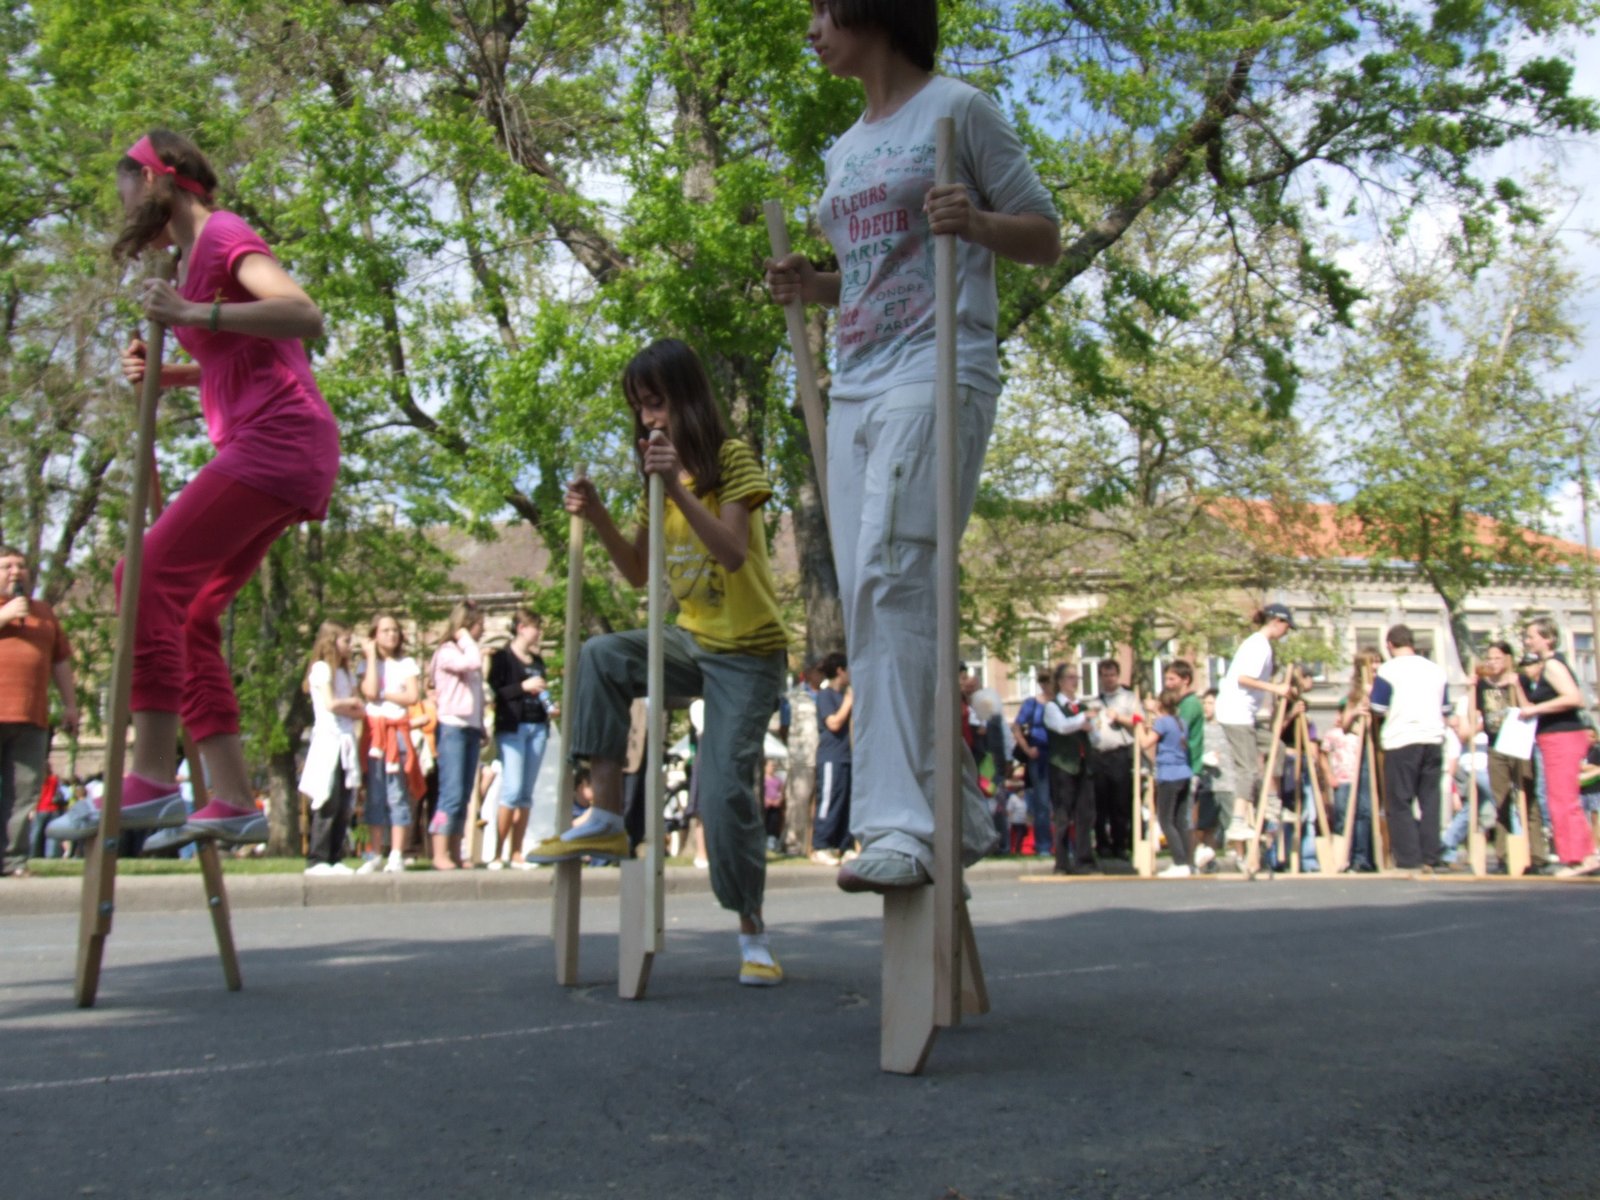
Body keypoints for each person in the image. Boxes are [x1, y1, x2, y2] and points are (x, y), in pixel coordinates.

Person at [764, 0, 1060, 891]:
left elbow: (1044, 235)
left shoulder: (958, 111)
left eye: (824, 8)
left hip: (937, 369)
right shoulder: (844, 149)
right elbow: (869, 277)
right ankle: (958, 806)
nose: (812, 30)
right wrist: (815, 284)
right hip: (855, 381)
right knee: (870, 599)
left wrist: (975, 223)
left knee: (894, 575)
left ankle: (896, 826)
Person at [50, 130, 339, 852]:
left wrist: (190, 315)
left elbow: (302, 314)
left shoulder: (224, 235)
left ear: (160, 180)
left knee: (140, 576)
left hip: (279, 440)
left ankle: (150, 778)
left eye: (130, 199)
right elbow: (244, 357)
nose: (128, 218)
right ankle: (234, 798)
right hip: (274, 444)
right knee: (189, 616)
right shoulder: (188, 260)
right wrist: (170, 373)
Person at [529, 338, 790, 987]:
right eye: (639, 407)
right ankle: (607, 816)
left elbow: (732, 552)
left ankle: (753, 934)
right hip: (692, 640)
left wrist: (676, 484)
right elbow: (638, 571)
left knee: (723, 789)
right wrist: (598, 514)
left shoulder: (732, 459)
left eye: (656, 403)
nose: (648, 419)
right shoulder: (657, 481)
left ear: (687, 398)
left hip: (748, 651)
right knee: (600, 656)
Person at [0, 547, 78, 876]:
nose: (16, 572)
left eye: (21, 566)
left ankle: (13, 861)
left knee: (23, 794)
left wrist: (70, 705)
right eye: (7, 566)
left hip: (31, 718)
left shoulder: (43, 612)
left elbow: (60, 661)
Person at [1515, 617, 1598, 876]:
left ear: (1548, 638)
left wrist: (1535, 709)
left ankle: (1580, 858)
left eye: (1532, 636)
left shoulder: (1552, 665)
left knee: (1563, 798)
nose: (1527, 641)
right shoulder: (1546, 666)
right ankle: (1577, 856)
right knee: (1558, 797)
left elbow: (1574, 698)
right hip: (1554, 737)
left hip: (1563, 736)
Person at [1213, 604, 1295, 860]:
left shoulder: (1262, 645)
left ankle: (1272, 803)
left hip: (1246, 715)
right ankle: (1237, 821)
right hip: (1235, 713)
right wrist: (1276, 689)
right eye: (1287, 626)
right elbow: (1243, 678)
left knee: (1276, 747)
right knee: (1247, 768)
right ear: (1277, 621)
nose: (1287, 632)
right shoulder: (1258, 645)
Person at [1368, 624, 1449, 872]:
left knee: (1400, 800)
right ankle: (1431, 854)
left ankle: (1409, 857)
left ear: (1389, 645)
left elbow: (1378, 707)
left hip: (1402, 738)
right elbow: (1445, 708)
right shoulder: (1436, 670)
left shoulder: (1388, 669)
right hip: (1433, 738)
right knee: (1430, 799)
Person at [357, 613, 422, 874]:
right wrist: (372, 657)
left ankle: (396, 852)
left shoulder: (406, 663)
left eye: (395, 630)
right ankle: (374, 853)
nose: (391, 635)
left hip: (396, 731)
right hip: (375, 734)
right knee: (375, 794)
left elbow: (412, 696)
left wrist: (386, 695)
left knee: (397, 793)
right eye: (385, 630)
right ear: (375, 635)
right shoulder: (366, 665)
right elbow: (370, 691)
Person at [488, 608, 552, 869]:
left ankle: (517, 852)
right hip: (513, 727)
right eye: (535, 627)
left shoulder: (537, 661)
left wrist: (549, 706)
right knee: (512, 790)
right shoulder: (503, 657)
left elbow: (543, 690)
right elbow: (496, 690)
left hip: (537, 726)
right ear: (521, 628)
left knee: (525, 794)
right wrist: (522, 687)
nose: (538, 633)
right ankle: (497, 853)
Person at [297, 621, 362, 875]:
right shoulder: (322, 669)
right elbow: (330, 703)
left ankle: (335, 856)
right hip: (328, 740)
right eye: (346, 641)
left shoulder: (345, 672)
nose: (350, 646)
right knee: (328, 798)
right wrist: (350, 703)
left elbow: (359, 709)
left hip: (345, 739)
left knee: (344, 801)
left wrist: (351, 705)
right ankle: (318, 857)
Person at [430, 599, 486, 871]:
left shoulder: (465, 651)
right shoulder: (447, 652)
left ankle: (455, 848)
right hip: (452, 727)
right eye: (479, 626)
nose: (482, 631)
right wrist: (464, 638)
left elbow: (477, 692)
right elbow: (473, 662)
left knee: (464, 794)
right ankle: (439, 850)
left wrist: (481, 724)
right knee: (450, 793)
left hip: (471, 727)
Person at [1043, 663, 1095, 874]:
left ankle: (1084, 859)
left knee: (1085, 814)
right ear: (1061, 681)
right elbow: (1062, 726)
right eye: (1071, 677)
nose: (1075, 682)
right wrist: (1083, 719)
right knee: (1063, 814)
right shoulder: (1052, 706)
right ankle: (1062, 862)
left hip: (1083, 764)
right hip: (1062, 766)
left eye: (1076, 678)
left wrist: (1091, 726)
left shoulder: (1081, 707)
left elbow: (1093, 734)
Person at [1139, 688, 1193, 876]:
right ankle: (1188, 861)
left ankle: (1180, 862)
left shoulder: (1163, 723)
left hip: (1169, 774)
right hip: (1184, 772)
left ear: (1160, 704)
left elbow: (1146, 743)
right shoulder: (1181, 722)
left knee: (1165, 820)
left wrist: (1139, 727)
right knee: (1180, 821)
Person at [1088, 660, 1139, 860]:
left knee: (1120, 802)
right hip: (1099, 754)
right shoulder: (1095, 701)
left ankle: (1120, 844)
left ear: (1118, 676)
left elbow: (1138, 721)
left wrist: (1118, 717)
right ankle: (1102, 844)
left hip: (1119, 754)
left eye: (1112, 675)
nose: (1109, 679)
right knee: (1100, 803)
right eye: (1105, 675)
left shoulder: (1128, 698)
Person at [812, 651, 855, 866]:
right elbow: (834, 723)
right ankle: (821, 845)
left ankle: (844, 846)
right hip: (831, 757)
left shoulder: (843, 695)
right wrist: (848, 702)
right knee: (829, 800)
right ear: (840, 671)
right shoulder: (826, 695)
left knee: (846, 802)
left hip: (847, 756)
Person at [1163, 661, 1207, 868]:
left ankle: (1187, 859)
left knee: (1179, 818)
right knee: (1179, 818)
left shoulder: (1189, 705)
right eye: (1166, 679)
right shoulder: (1182, 704)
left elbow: (1179, 735)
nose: (1167, 683)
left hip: (1187, 766)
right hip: (1182, 766)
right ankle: (1187, 861)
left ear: (1185, 680)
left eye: (1172, 679)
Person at [1012, 670, 1056, 859]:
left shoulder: (1059, 702)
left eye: (1049, 681)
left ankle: (1063, 845)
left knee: (1062, 802)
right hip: (1039, 757)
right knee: (1042, 802)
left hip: (1059, 756)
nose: (1046, 685)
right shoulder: (1032, 703)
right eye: (1043, 682)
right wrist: (1027, 749)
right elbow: (1016, 727)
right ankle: (1043, 845)